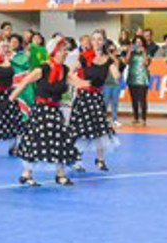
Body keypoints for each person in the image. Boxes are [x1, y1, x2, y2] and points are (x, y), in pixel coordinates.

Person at [8, 37, 82, 187]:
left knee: (61, 141)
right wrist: (9, 100)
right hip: (41, 110)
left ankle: (60, 174)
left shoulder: (64, 70)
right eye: (62, 50)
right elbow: (23, 82)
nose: (65, 53)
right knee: (35, 142)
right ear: (54, 52)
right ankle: (26, 173)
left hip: (55, 110)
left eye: (66, 50)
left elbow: (77, 83)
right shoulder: (42, 69)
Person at [70, 31, 121, 171]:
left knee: (100, 129)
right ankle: (76, 160)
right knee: (80, 129)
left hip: (97, 98)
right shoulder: (85, 57)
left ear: (104, 42)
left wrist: (115, 63)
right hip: (84, 98)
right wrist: (80, 82)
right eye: (94, 39)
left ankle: (100, 159)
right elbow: (69, 72)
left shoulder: (107, 59)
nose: (96, 42)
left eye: (99, 39)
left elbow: (117, 76)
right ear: (91, 42)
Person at [126, 35, 152, 125]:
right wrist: (129, 51)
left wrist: (144, 52)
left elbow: (146, 63)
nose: (138, 44)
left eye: (140, 42)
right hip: (132, 77)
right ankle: (135, 117)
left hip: (142, 77)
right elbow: (126, 61)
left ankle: (143, 118)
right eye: (136, 42)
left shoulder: (147, 51)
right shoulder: (132, 52)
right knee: (134, 99)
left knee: (142, 99)